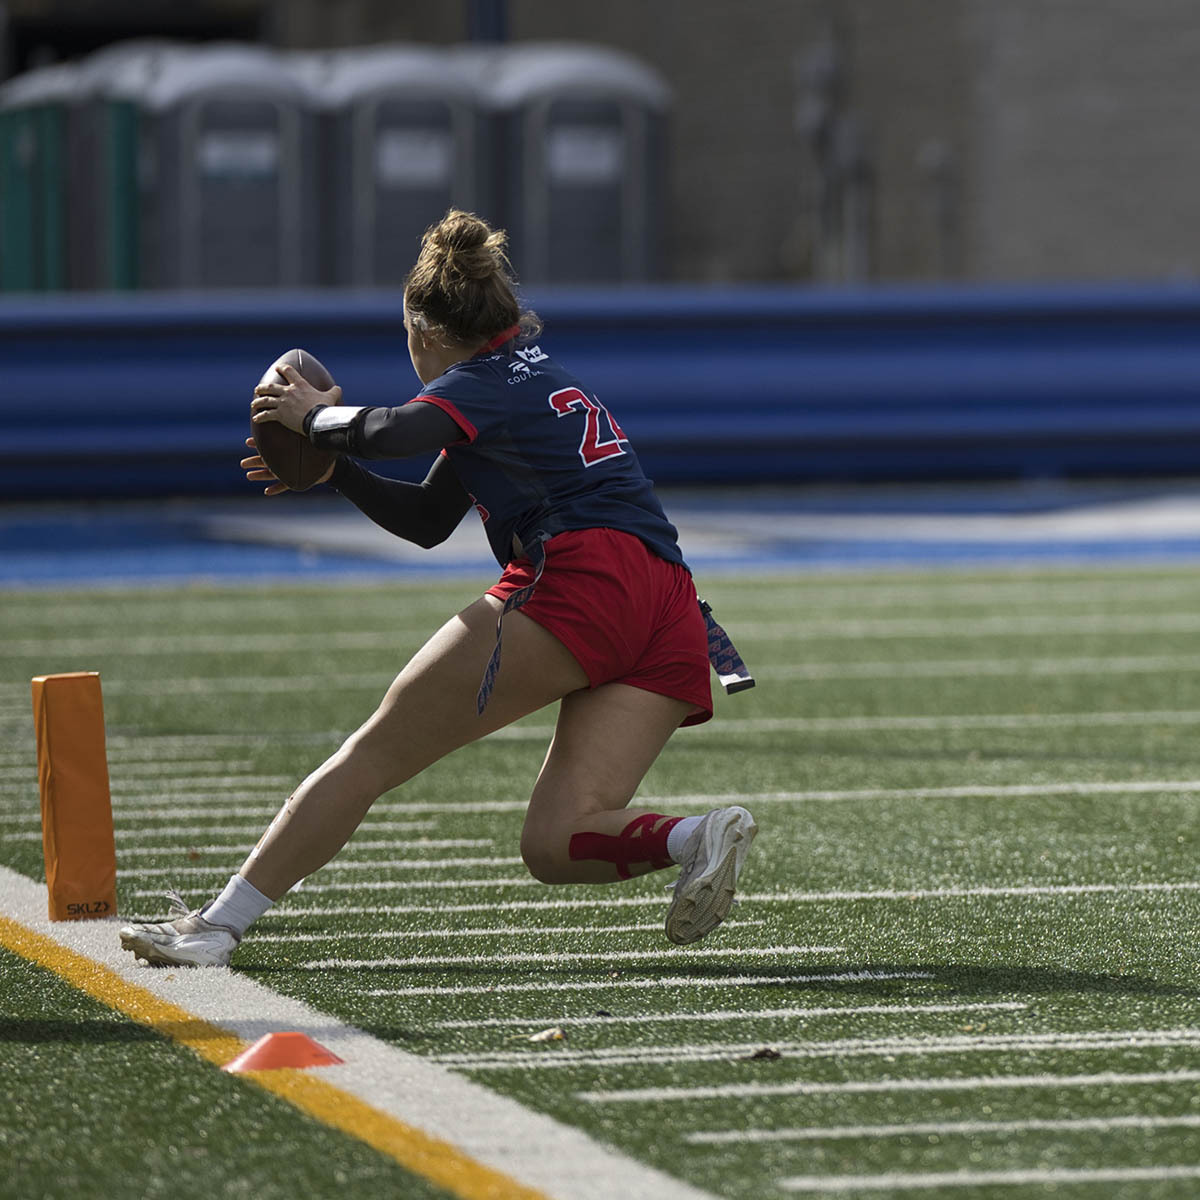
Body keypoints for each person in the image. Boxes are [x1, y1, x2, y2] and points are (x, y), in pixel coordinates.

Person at [119, 210, 757, 969]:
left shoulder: (481, 383)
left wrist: (315, 420)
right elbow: (428, 518)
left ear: (421, 331)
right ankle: (698, 835)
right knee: (556, 842)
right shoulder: (529, 376)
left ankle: (215, 928)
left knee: (370, 755)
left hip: (583, 577)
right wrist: (338, 471)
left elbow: (395, 429)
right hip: (669, 600)